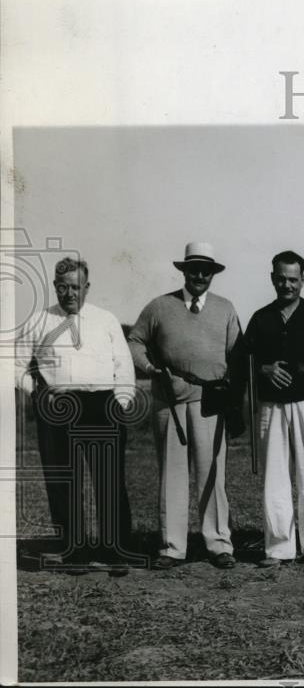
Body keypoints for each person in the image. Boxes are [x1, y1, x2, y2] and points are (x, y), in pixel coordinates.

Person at [15, 257, 137, 574]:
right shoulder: (39, 321)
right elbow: (15, 366)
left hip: (101, 405)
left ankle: (115, 551)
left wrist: (120, 402)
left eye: (77, 287)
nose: (70, 293)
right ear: (55, 287)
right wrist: (37, 393)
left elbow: (123, 364)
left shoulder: (106, 319)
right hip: (58, 408)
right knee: (63, 481)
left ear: (87, 287)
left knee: (109, 480)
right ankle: (75, 552)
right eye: (63, 287)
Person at [128, 242, 242, 570]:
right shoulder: (159, 307)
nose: (200, 275)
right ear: (184, 271)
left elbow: (237, 354)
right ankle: (172, 546)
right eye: (194, 269)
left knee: (212, 474)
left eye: (206, 270)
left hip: (211, 403)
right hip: (170, 401)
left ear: (213, 274)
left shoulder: (225, 308)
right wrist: (150, 369)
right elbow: (135, 341)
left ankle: (219, 543)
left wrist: (232, 399)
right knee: (172, 474)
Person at [240, 251, 304, 567]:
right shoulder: (260, 318)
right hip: (272, 408)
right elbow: (242, 360)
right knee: (276, 478)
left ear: (303, 280)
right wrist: (263, 370)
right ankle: (279, 548)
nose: (287, 285)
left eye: (293, 280)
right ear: (272, 278)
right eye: (281, 279)